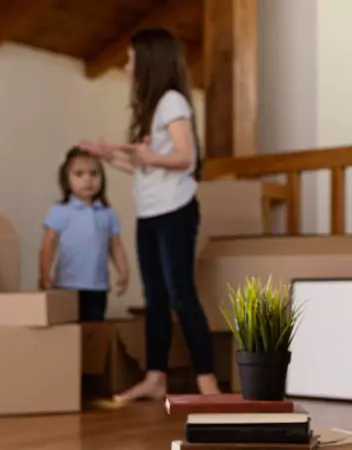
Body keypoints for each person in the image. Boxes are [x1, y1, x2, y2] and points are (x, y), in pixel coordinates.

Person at [79, 27, 221, 406]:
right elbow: (150, 168)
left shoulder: (173, 102)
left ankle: (208, 384)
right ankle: (155, 377)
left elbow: (185, 157)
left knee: (180, 294)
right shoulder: (151, 108)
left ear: (149, 61)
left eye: (130, 60)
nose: (126, 68)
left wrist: (144, 157)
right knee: (155, 297)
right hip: (151, 212)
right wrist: (112, 157)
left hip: (175, 211)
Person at [39, 147, 130, 322]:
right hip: (67, 286)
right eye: (79, 174)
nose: (87, 179)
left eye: (93, 173)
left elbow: (115, 245)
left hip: (97, 287)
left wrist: (123, 270)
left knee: (93, 333)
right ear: (67, 179)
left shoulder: (107, 212)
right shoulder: (60, 211)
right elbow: (48, 244)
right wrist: (44, 273)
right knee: (68, 333)